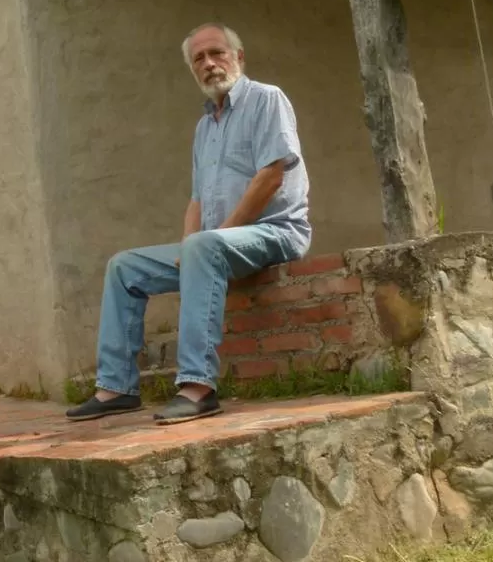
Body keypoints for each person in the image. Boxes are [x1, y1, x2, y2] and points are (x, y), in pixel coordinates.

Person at [65, 23, 311, 425]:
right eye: (199, 58)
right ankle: (116, 388)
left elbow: (271, 177)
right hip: (219, 244)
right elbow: (196, 199)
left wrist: (212, 239)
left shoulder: (267, 100)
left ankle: (198, 387)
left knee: (202, 246)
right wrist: (187, 245)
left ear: (239, 57)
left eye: (217, 53)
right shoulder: (204, 127)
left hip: (276, 231)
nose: (209, 63)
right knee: (124, 267)